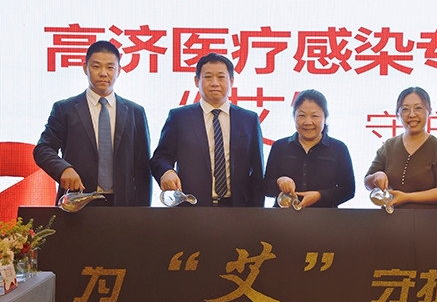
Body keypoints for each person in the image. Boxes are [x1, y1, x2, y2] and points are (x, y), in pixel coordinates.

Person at [33, 40, 152, 206]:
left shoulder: (135, 112)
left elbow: (143, 168)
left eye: (110, 67)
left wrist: (144, 212)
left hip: (123, 206)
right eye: (96, 66)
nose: (103, 73)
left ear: (119, 71)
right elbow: (43, 149)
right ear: (85, 68)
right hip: (77, 203)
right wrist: (63, 169)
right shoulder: (65, 109)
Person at [150, 53, 264, 207]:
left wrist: (257, 212)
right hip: (192, 207)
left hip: (238, 209)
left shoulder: (249, 119)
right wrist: (166, 172)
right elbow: (160, 158)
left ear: (231, 81)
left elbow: (257, 171)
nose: (214, 83)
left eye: (221, 77)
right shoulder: (179, 118)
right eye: (208, 77)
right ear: (196, 81)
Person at [364, 87, 437, 209]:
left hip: (430, 218)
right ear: (398, 114)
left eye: (418, 108)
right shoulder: (389, 146)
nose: (412, 114)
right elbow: (367, 182)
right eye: (405, 109)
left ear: (429, 111)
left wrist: (407, 197)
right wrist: (376, 176)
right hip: (390, 217)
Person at [264, 89, 355, 208]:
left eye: (315, 116)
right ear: (294, 117)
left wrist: (320, 195)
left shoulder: (339, 148)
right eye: (302, 115)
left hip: (325, 216)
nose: (308, 122)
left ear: (325, 118)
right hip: (284, 216)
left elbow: (348, 190)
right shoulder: (280, 147)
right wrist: (280, 181)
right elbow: (266, 187)